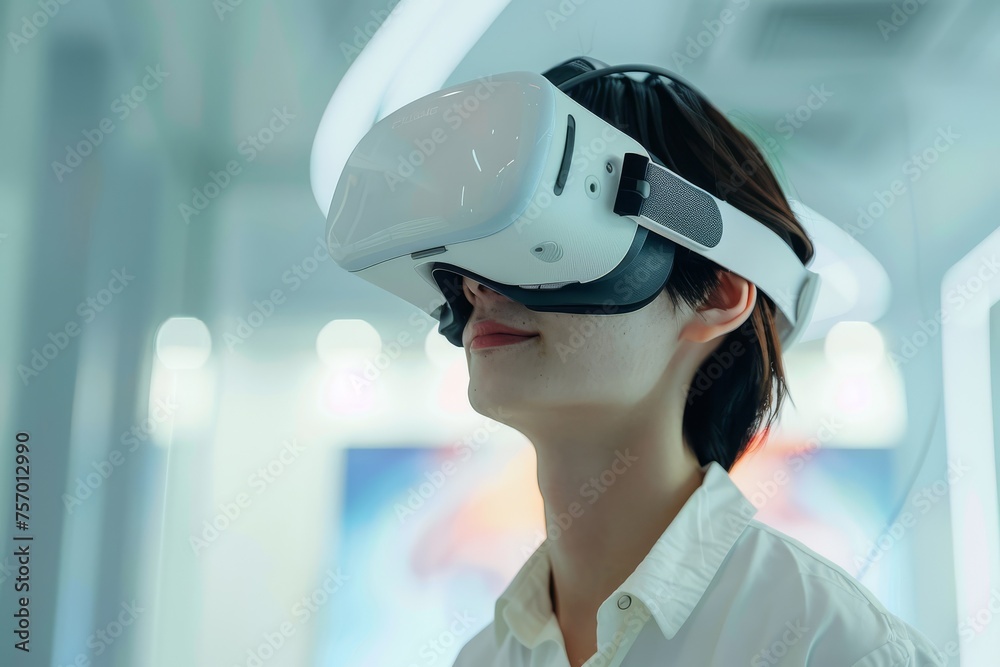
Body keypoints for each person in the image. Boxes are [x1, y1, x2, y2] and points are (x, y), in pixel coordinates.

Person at [449, 57, 946, 667]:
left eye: (546, 240)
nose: (479, 285)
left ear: (715, 293)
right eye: (481, 247)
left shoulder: (831, 647)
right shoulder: (485, 658)